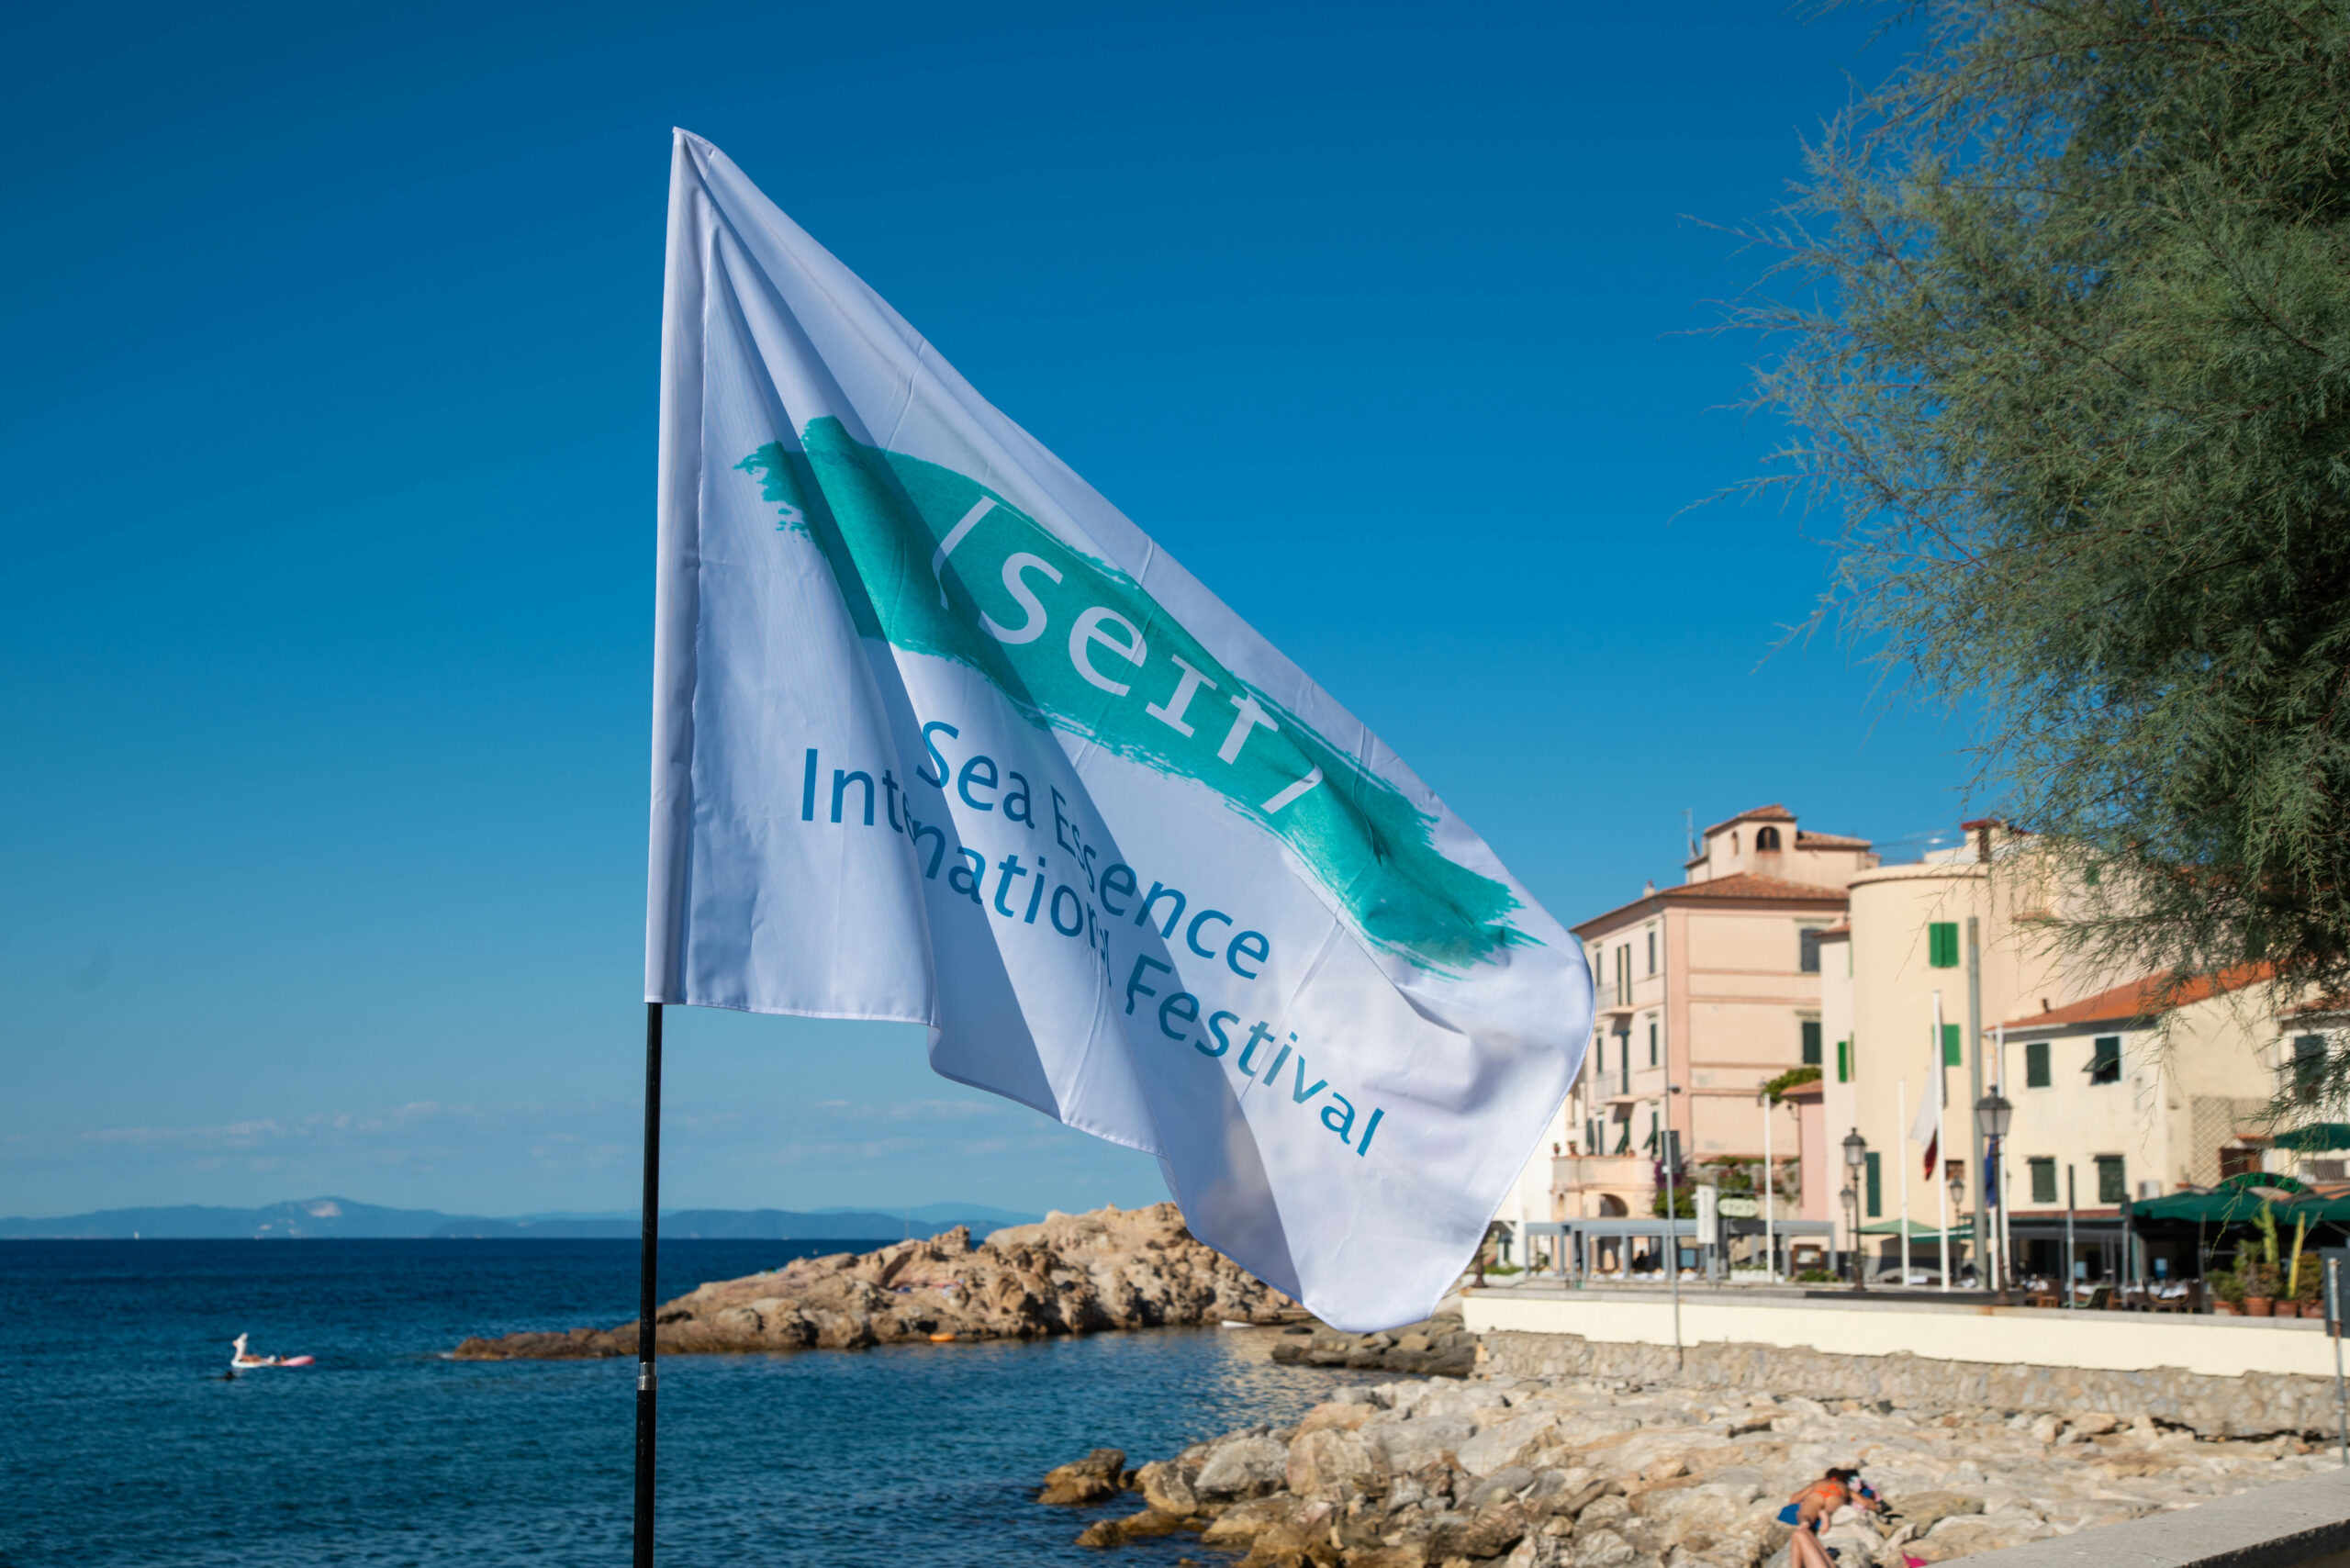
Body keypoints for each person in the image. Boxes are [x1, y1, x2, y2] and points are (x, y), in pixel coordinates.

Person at [1778, 1468, 1879, 1568]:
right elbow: (1866, 1503)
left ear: (1827, 1476)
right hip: (1836, 1495)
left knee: (1806, 1513)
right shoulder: (1844, 1487)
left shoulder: (1819, 1483)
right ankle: (1826, 1513)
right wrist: (1873, 1503)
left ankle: (1806, 1522)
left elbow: (1794, 1498)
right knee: (1831, 1508)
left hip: (1817, 1494)